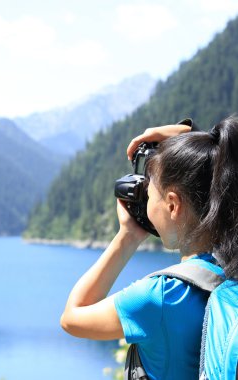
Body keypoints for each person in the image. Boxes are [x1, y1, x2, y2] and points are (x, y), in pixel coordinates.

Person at [60, 116, 238, 379]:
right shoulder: (231, 270)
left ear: (173, 205)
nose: (145, 203)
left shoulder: (161, 296)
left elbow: (72, 317)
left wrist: (127, 237)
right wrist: (191, 135)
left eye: (150, 195)